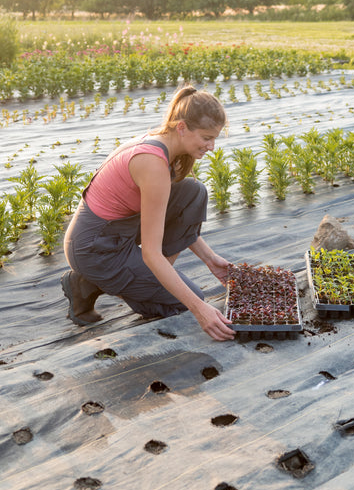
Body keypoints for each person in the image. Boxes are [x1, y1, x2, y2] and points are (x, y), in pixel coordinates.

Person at [62, 85, 235, 341]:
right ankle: (88, 283)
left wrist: (210, 259)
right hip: (95, 249)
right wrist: (198, 309)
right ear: (182, 128)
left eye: (215, 139)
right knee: (184, 303)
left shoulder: (167, 147)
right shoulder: (152, 163)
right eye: (206, 138)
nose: (211, 147)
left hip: (117, 234)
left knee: (193, 192)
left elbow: (173, 216)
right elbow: (152, 253)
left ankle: (144, 282)